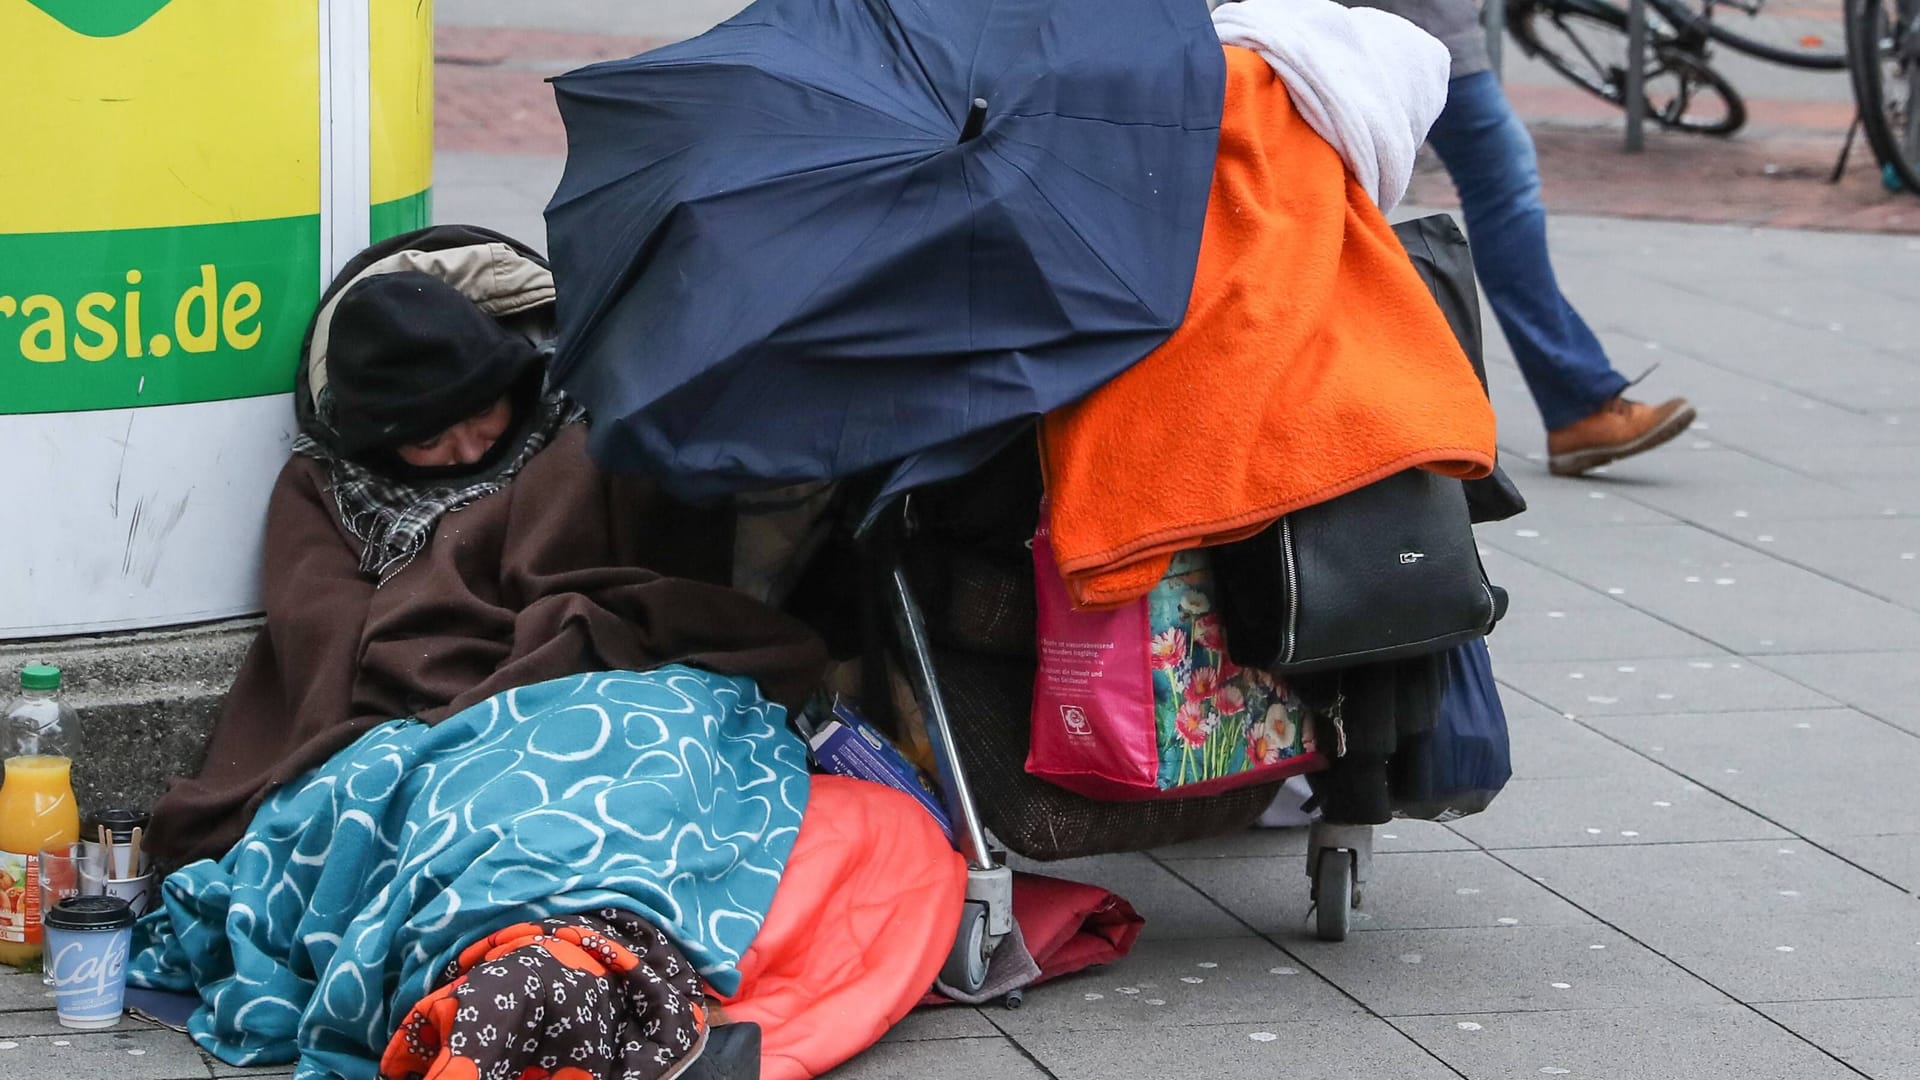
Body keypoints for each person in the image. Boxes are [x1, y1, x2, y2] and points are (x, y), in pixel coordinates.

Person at [1341, 0, 1697, 476]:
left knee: (1339, 192)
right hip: (1396, 23)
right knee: (1496, 180)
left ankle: (1575, 401)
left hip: (1374, 26)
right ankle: (1576, 402)